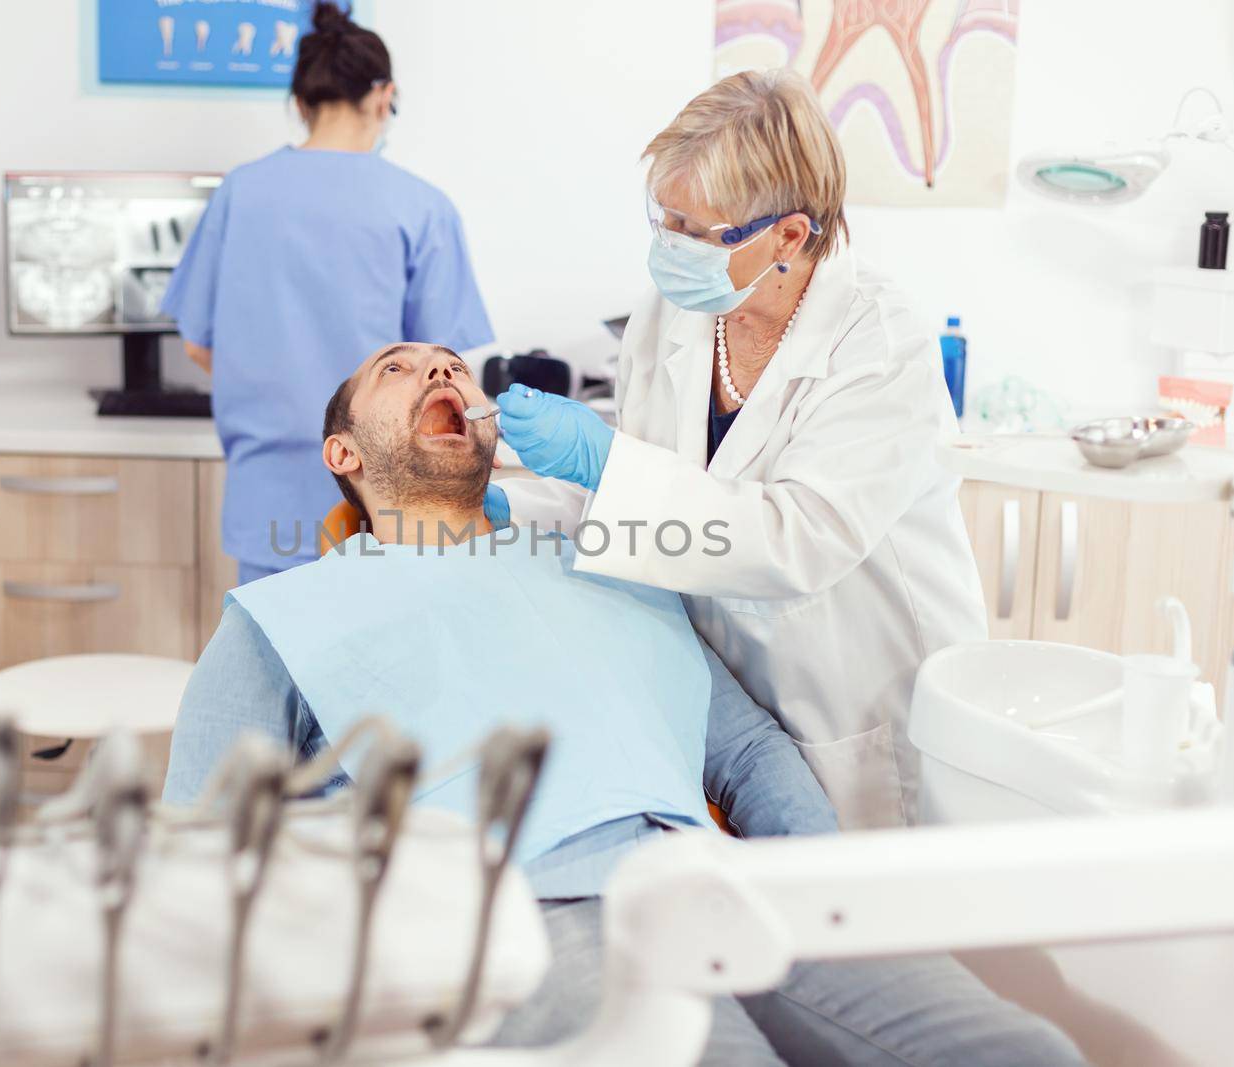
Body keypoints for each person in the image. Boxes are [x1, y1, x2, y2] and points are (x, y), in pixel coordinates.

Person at [165, 342, 1086, 1066]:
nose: (438, 367)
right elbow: (195, 854)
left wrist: (820, 885)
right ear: (344, 452)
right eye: (395, 369)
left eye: (448, 360)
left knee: (1024, 1051)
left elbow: (749, 752)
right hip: (521, 916)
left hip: (712, 881)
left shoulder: (606, 563)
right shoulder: (284, 618)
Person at [487, 70, 987, 830]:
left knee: (871, 924)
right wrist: (517, 503)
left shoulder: (879, 345)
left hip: (863, 710)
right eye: (666, 220)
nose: (672, 248)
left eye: (699, 231)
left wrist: (601, 461)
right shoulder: (677, 309)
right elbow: (647, 495)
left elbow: (797, 540)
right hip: (737, 710)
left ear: (790, 234)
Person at [161, 1, 492, 584]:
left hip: (267, 495)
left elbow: (198, 345)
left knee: (266, 665)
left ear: (300, 104)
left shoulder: (241, 192)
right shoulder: (420, 207)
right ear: (384, 96)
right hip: (383, 498)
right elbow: (443, 374)